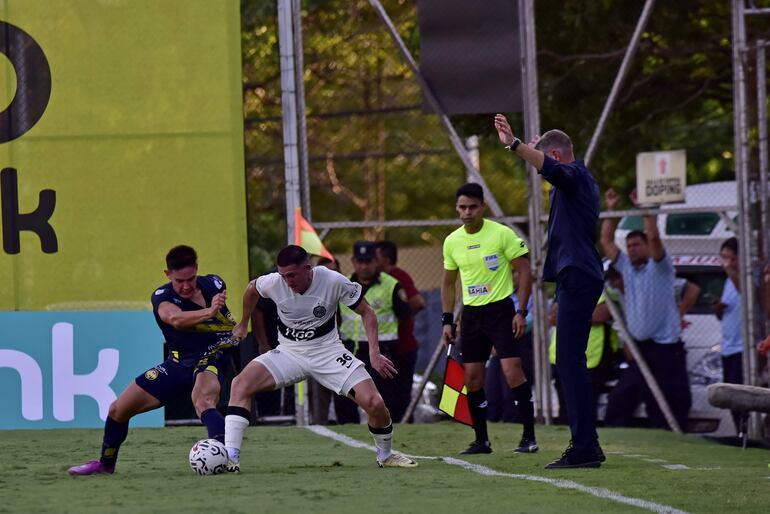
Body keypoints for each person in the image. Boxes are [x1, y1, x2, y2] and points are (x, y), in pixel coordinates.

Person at [224, 245, 417, 470]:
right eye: (283, 276)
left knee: (375, 403)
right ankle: (231, 457)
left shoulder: (333, 280)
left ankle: (385, 455)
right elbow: (251, 289)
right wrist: (243, 323)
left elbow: (367, 312)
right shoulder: (274, 282)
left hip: (329, 352)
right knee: (240, 384)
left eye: (292, 275)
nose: (287, 281)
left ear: (308, 269)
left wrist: (374, 353)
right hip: (289, 352)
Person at [494, 114, 605, 469]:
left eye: (544, 161)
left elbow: (555, 171)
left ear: (555, 155)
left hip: (578, 274)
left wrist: (515, 145)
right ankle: (588, 443)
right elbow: (553, 169)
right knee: (570, 362)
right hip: (575, 274)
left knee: (570, 363)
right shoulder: (573, 182)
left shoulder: (574, 176)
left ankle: (585, 446)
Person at [68, 245, 237, 475]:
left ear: (197, 269)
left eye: (191, 278)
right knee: (118, 410)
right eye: (179, 280)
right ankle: (106, 465)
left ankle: (227, 461)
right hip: (177, 364)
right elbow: (174, 319)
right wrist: (209, 312)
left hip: (213, 355)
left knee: (203, 401)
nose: (186, 286)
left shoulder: (214, 284)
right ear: (167, 274)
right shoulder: (162, 296)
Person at [441, 182, 536, 455]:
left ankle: (528, 436)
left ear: (483, 207)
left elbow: (525, 271)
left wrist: (521, 311)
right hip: (471, 315)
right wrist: (447, 320)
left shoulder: (502, 234)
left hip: (501, 310)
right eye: (462, 207)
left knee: (512, 371)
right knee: (472, 378)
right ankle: (481, 440)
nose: (467, 212)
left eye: (472, 207)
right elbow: (448, 283)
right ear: (457, 208)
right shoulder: (452, 241)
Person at [600, 188, 691, 431]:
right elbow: (606, 241)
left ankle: (677, 440)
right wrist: (610, 210)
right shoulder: (627, 269)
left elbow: (654, 239)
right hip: (640, 350)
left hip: (665, 350)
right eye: (629, 246)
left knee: (669, 402)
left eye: (637, 244)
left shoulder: (660, 268)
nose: (632, 249)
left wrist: (644, 209)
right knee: (621, 399)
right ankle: (614, 439)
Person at [338, 241, 412, 423]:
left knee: (386, 398)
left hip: (381, 350)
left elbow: (405, 315)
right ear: (353, 261)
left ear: (376, 261)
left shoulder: (392, 285)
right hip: (350, 350)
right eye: (360, 261)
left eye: (369, 261)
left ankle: (389, 432)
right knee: (346, 397)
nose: (364, 266)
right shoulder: (344, 285)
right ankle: (348, 432)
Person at [375, 240, 426, 422]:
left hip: (401, 347)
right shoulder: (375, 279)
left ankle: (405, 424)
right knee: (386, 394)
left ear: (387, 259)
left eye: (377, 256)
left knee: (401, 394)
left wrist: (401, 315)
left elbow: (418, 302)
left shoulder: (398, 277)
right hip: (384, 348)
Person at [712, 237, 746, 435]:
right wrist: (718, 308)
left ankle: (747, 432)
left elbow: (748, 295)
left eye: (731, 258)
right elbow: (723, 313)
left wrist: (731, 270)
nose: (727, 263)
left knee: (744, 395)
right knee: (731, 397)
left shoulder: (745, 278)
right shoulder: (727, 281)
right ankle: (739, 432)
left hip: (744, 347)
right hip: (728, 347)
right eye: (724, 258)